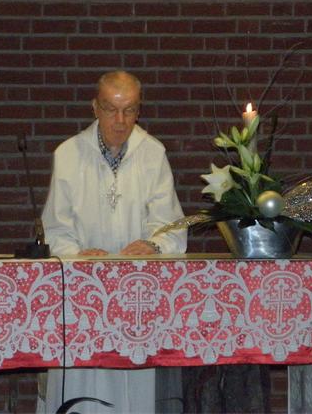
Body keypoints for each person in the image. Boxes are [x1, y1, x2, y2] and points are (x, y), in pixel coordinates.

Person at [40, 70, 187, 414]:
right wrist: (78, 255)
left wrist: (152, 246)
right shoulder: (68, 154)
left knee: (132, 395)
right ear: (95, 107)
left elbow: (171, 226)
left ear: (139, 110)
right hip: (81, 294)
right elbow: (55, 229)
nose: (120, 121)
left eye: (129, 110)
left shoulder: (153, 154)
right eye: (111, 109)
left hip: (137, 296)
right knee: (82, 392)